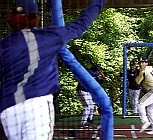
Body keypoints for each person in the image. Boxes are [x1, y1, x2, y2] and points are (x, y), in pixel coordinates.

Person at [0, 0, 107, 139]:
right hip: (37, 106)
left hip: (8, 109)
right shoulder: (49, 36)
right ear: (36, 17)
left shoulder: (4, 45)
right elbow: (81, 24)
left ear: (11, 18)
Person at [135, 56, 153, 135]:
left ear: (146, 63)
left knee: (140, 104)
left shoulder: (144, 72)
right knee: (150, 110)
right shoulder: (150, 68)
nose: (142, 64)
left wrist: (139, 74)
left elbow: (137, 82)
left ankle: (145, 122)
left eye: (144, 62)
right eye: (141, 62)